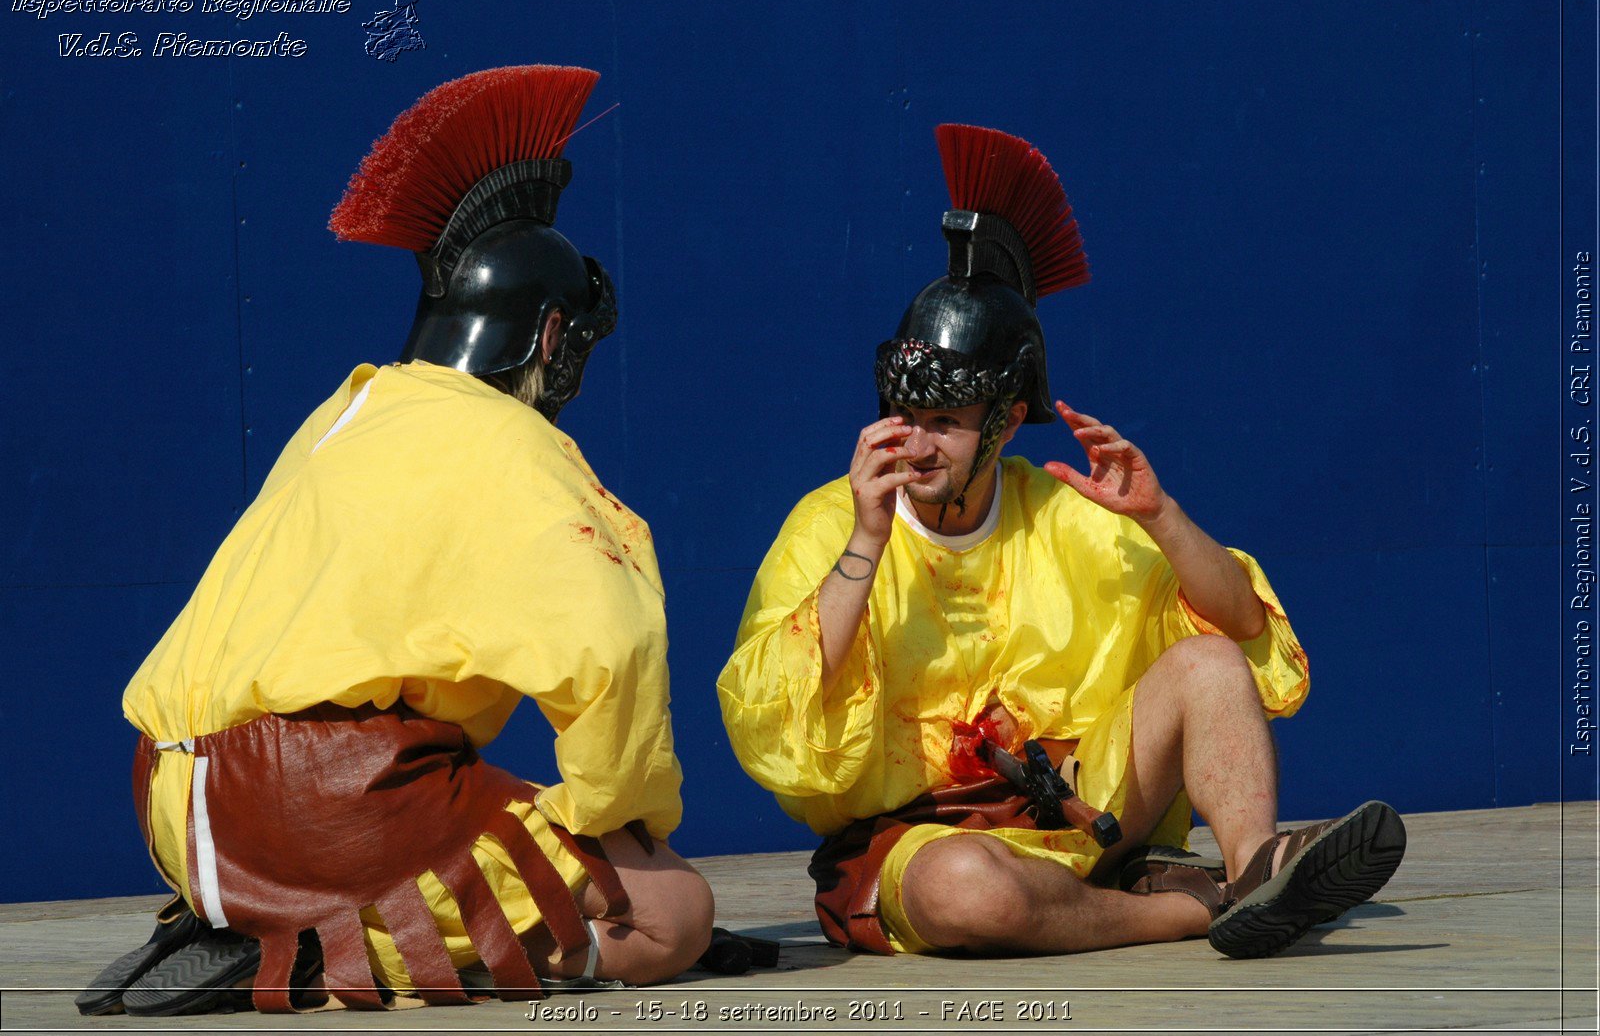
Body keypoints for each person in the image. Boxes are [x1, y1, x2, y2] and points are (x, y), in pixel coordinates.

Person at [79, 65, 713, 1017]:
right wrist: (622, 826)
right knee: (672, 910)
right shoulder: (516, 442)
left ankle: (265, 920)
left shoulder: (351, 408)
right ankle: (320, 949)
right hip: (316, 807)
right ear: (548, 337)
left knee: (517, 808)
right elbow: (610, 649)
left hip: (169, 795)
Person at [717, 123, 1405, 961]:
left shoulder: (1063, 509)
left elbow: (1242, 631)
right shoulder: (831, 519)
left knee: (1209, 663)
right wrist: (865, 541)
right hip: (924, 842)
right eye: (908, 418)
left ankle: (1254, 865)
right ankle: (1203, 908)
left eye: (947, 424)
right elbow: (775, 713)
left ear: (1006, 422)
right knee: (967, 890)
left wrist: (1161, 518)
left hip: (1084, 807)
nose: (918, 446)